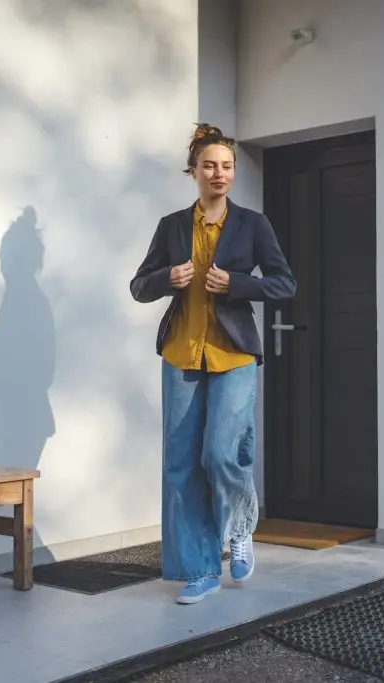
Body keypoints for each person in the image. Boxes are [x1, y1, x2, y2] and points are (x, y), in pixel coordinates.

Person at [130, 124, 296, 604]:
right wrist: (167, 276)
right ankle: (200, 570)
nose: (219, 173)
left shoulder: (253, 224)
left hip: (234, 353)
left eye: (227, 166)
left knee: (221, 453)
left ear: (233, 173)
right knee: (181, 465)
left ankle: (241, 525)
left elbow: (285, 285)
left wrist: (239, 284)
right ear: (193, 172)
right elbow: (139, 286)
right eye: (210, 165)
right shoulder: (172, 227)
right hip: (182, 354)